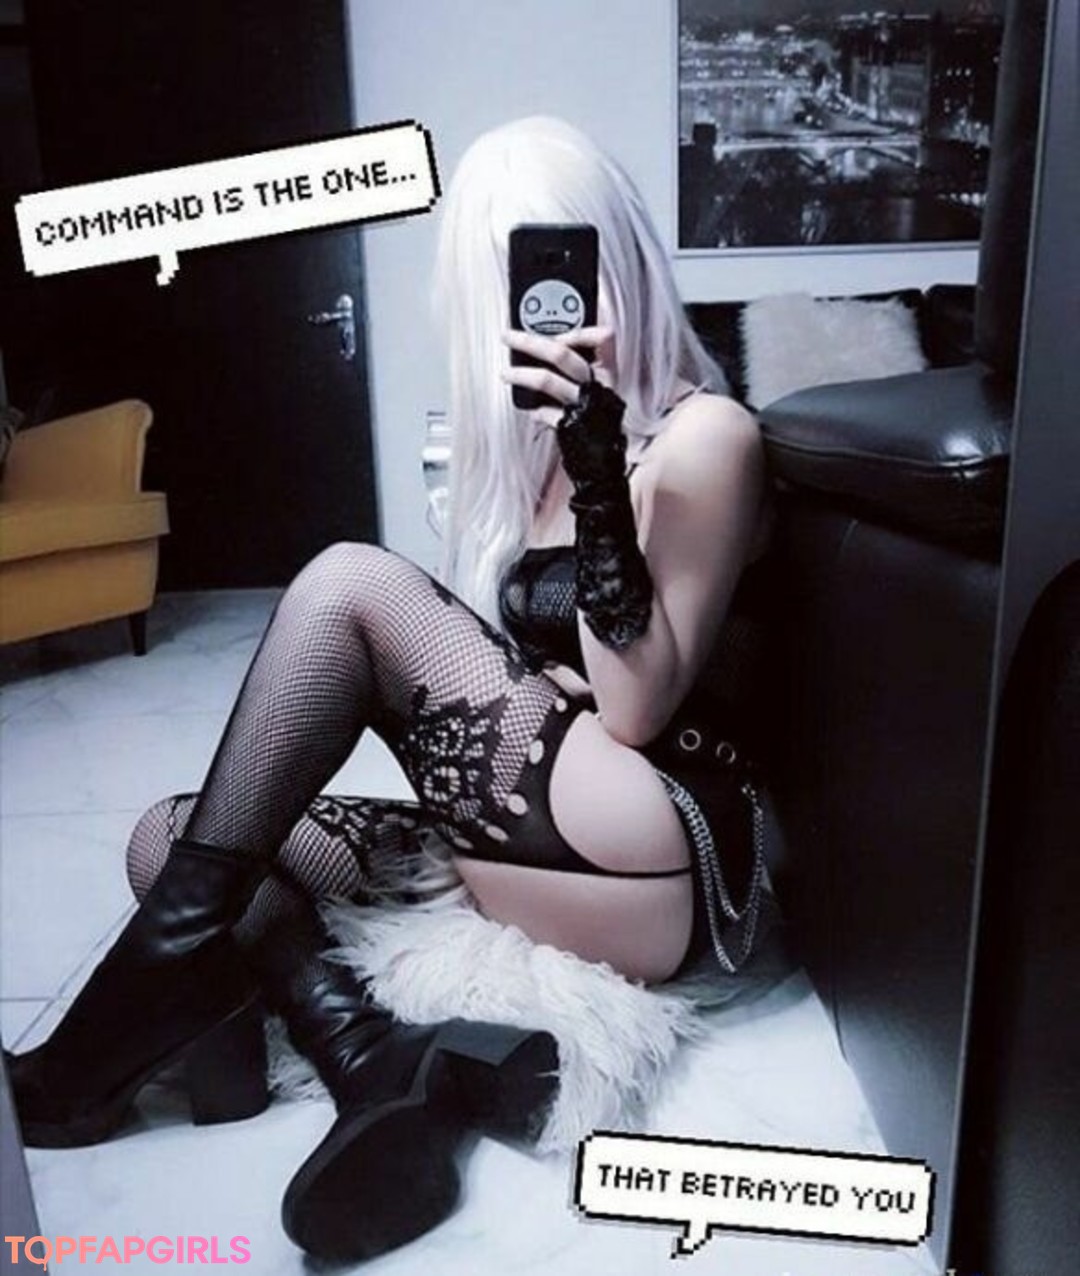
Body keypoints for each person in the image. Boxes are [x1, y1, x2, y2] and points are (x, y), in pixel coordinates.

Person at [6, 116, 771, 1264]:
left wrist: (600, 469)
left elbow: (635, 707)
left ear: (612, 260)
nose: (533, 308)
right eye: (501, 285)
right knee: (176, 836)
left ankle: (112, 1028)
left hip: (653, 844)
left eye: (554, 266)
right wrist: (548, 471)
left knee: (350, 584)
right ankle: (366, 1059)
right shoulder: (540, 451)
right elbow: (526, 681)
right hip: (540, 846)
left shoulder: (707, 434)